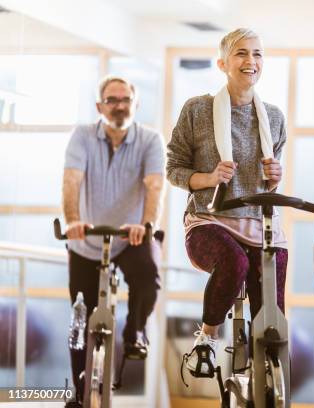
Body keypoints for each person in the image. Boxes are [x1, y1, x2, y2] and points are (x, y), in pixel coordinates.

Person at [166, 28, 287, 379]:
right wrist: (208, 178)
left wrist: (275, 176)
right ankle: (207, 338)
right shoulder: (197, 110)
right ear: (222, 63)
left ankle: (267, 378)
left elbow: (269, 179)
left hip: (260, 224)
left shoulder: (275, 117)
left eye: (258, 54)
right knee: (234, 262)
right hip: (209, 220)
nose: (251, 61)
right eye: (241, 54)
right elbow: (174, 168)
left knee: (272, 319)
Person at [62, 76, 164, 405]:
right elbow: (71, 180)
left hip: (130, 237)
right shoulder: (82, 136)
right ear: (99, 106)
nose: (119, 105)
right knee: (81, 319)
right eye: (112, 100)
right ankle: (80, 394)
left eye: (125, 99)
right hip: (86, 240)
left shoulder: (150, 139)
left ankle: (134, 331)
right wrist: (73, 220)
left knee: (148, 276)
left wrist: (146, 224)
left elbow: (154, 186)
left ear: (135, 104)